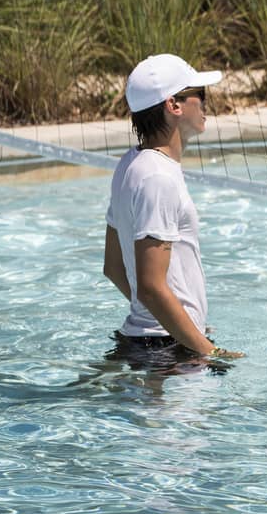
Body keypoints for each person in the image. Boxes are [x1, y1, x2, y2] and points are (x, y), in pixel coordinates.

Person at [102, 54, 243, 366]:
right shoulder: (158, 178)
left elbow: (113, 267)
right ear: (173, 105)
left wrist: (178, 322)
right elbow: (150, 288)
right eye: (200, 95)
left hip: (155, 343)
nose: (206, 105)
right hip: (169, 354)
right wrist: (208, 350)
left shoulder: (130, 164)